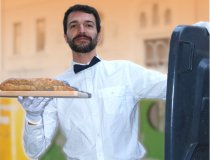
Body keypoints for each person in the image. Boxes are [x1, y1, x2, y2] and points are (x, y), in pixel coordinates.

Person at [18, 4, 167, 160]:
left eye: (88, 25)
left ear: (99, 34)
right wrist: (33, 117)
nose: (81, 30)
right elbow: (33, 152)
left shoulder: (126, 72)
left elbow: (171, 87)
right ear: (65, 36)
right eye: (74, 25)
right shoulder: (56, 88)